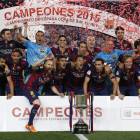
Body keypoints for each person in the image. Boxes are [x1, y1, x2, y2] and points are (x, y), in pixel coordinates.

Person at [23, 54, 64, 132]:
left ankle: (29, 124)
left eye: (51, 65)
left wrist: (59, 93)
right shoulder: (40, 69)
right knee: (37, 103)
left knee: (38, 102)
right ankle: (29, 124)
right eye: (48, 64)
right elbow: (35, 65)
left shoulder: (50, 76)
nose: (50, 66)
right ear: (44, 65)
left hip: (34, 90)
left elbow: (52, 87)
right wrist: (44, 58)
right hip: (28, 88)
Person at [14, 24, 54, 95]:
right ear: (35, 37)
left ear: (44, 38)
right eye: (38, 35)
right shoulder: (29, 44)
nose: (39, 37)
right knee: (27, 89)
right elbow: (20, 38)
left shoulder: (47, 48)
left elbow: (52, 59)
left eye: (41, 36)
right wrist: (17, 30)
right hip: (30, 71)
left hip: (40, 73)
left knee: (38, 92)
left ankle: (36, 104)